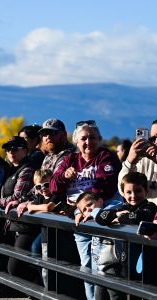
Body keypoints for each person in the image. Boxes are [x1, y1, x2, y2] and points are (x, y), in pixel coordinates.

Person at [50, 120, 122, 300]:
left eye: (92, 138)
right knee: (87, 267)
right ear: (76, 141)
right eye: (84, 138)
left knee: (103, 267)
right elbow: (53, 187)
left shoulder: (106, 157)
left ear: (99, 139)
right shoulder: (70, 159)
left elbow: (106, 185)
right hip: (79, 219)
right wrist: (65, 176)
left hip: (101, 216)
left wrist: (84, 207)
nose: (88, 142)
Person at [0, 136, 40, 282]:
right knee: (4, 264)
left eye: (15, 149)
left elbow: (17, 197)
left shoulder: (27, 170)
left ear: (25, 150)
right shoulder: (10, 170)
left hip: (25, 226)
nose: (10, 152)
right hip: (10, 225)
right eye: (8, 149)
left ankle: (40, 290)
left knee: (15, 267)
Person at [76, 191, 126, 300]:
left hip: (115, 265)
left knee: (116, 296)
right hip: (99, 267)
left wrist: (93, 212)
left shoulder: (113, 207)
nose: (88, 210)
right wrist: (78, 213)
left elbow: (105, 215)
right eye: (84, 209)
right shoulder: (90, 221)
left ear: (100, 201)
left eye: (90, 204)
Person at [118, 120, 157, 204]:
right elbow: (123, 190)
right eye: (153, 138)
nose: (155, 142)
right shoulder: (144, 161)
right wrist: (130, 161)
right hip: (145, 213)